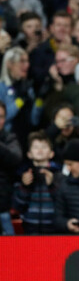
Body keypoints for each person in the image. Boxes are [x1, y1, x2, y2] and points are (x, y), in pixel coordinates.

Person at [13, 130, 61, 234]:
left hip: (55, 230)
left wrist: (52, 185)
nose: (40, 150)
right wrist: (25, 187)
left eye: (44, 147)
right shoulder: (23, 174)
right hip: (29, 228)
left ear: (51, 153)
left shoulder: (59, 175)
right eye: (35, 147)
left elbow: (64, 204)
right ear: (29, 154)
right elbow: (17, 206)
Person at [0, 100, 22, 235]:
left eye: (1, 116)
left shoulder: (10, 137)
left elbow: (16, 158)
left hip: (2, 206)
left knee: (10, 252)